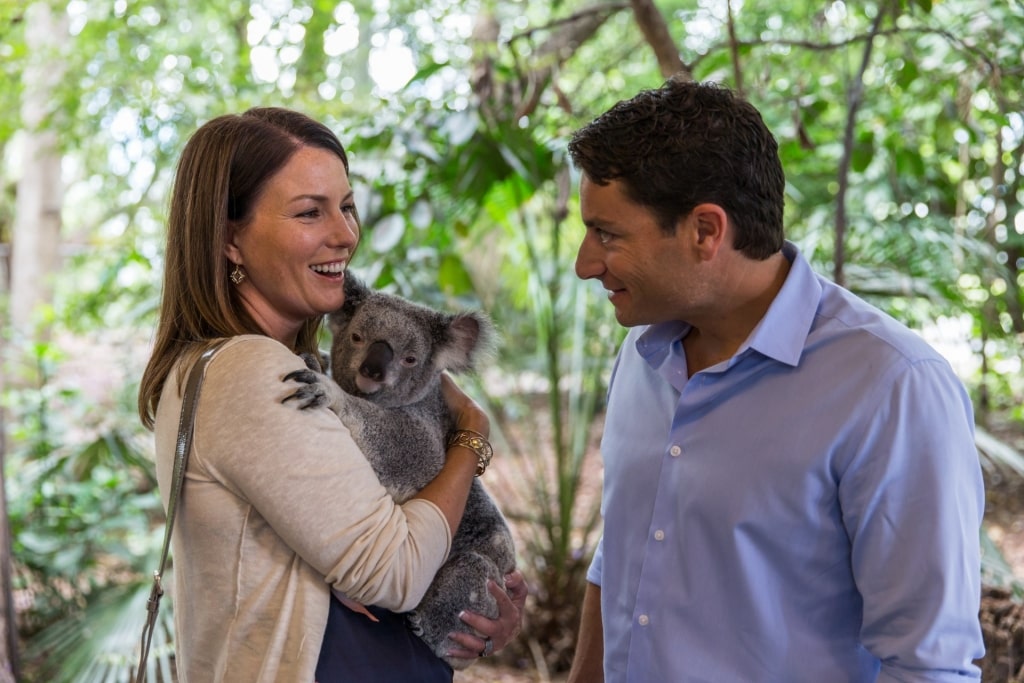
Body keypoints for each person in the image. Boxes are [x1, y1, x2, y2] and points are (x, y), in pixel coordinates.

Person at [564, 78, 985, 682]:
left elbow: (928, 666)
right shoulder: (642, 352)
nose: (585, 263)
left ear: (706, 230)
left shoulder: (892, 387)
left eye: (607, 234)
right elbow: (624, 550)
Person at [137, 106, 526, 682]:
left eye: (346, 207)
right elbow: (396, 574)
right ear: (230, 239)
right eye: (309, 212)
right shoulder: (252, 370)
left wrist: (471, 607)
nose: (344, 234)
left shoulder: (262, 365)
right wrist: (470, 435)